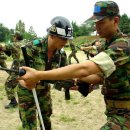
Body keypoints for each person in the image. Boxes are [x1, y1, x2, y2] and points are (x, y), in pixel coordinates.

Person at [19, 1, 130, 129]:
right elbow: (99, 77)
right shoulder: (106, 45)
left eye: (101, 22)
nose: (96, 27)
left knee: (45, 120)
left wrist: (38, 75)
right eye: (96, 23)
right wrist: (77, 82)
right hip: (115, 111)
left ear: (115, 21)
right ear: (52, 35)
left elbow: (84, 69)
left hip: (125, 113)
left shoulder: (123, 45)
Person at [17, 16, 73, 130]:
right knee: (29, 125)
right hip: (27, 92)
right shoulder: (31, 48)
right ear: (52, 35)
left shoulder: (61, 55)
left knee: (46, 122)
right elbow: (18, 75)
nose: (66, 42)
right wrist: (26, 83)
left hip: (44, 92)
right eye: (63, 38)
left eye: (67, 39)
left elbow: (65, 75)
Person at [0, 32, 23, 109]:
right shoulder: (25, 44)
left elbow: (2, 47)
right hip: (25, 68)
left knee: (8, 84)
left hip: (17, 69)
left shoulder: (14, 44)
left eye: (14, 37)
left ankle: (13, 102)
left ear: (16, 37)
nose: (13, 38)